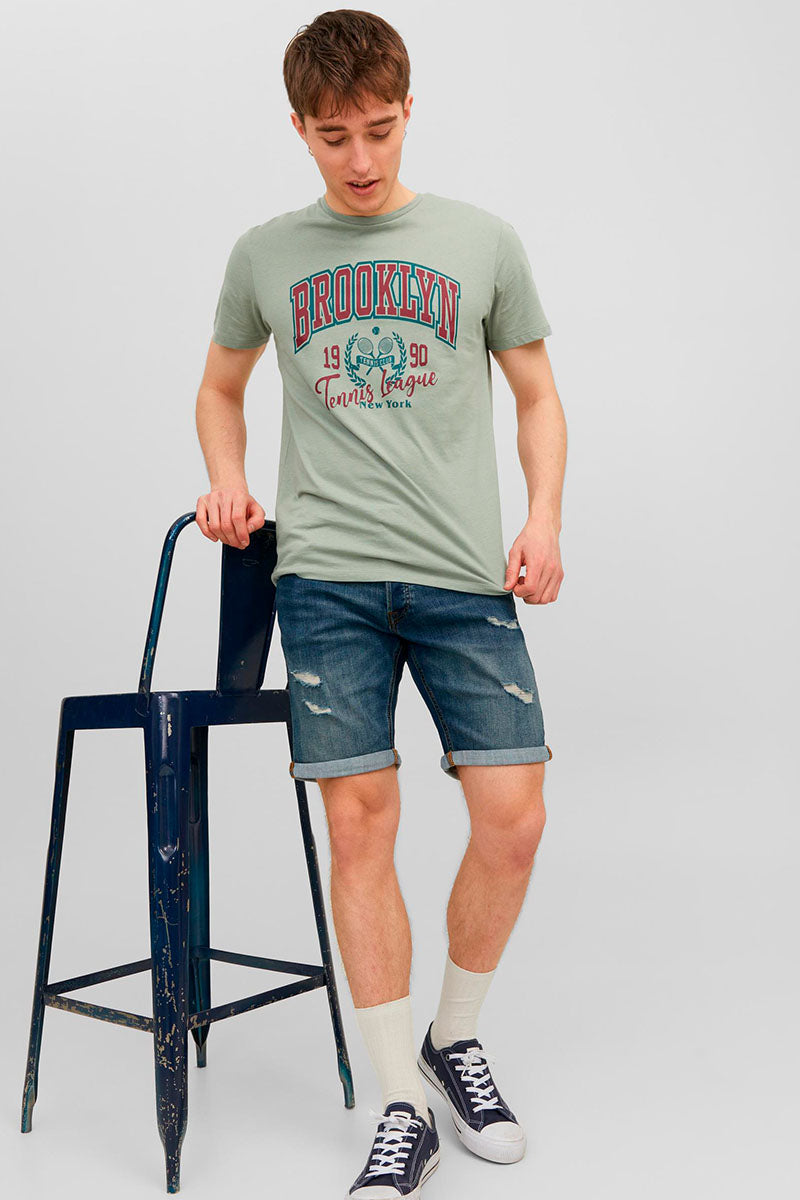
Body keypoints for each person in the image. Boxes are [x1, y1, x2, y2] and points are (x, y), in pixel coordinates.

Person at [195, 10, 567, 1197]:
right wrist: (227, 479)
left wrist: (542, 519)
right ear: (298, 128)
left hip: (461, 579)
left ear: (408, 110)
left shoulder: (480, 241)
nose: (359, 159)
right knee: (359, 826)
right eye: (333, 136)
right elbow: (218, 386)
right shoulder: (265, 254)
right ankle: (398, 1100)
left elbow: (536, 394)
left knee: (512, 817)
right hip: (327, 581)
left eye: (378, 129)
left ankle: (452, 1038)